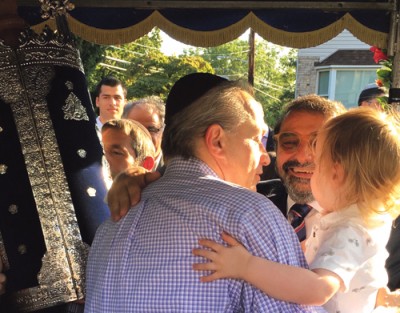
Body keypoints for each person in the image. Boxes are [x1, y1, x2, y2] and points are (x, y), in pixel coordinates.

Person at [84, 73, 323, 312]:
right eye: (255, 138)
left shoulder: (113, 224)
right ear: (217, 140)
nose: (263, 155)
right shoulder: (250, 217)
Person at [192, 107, 400, 313]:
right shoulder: (362, 222)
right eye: (290, 142)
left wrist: (246, 266)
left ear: (336, 173)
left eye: (317, 165)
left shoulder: (350, 231)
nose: (303, 159)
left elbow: (319, 289)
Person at [257, 94, 346, 242]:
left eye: (318, 144)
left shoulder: (377, 222)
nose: (302, 157)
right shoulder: (251, 201)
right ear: (276, 147)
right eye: (290, 142)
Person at [123, 96, 165, 171]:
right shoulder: (111, 170)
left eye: (151, 129)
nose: (143, 136)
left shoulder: (176, 172)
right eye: (135, 129)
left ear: (163, 133)